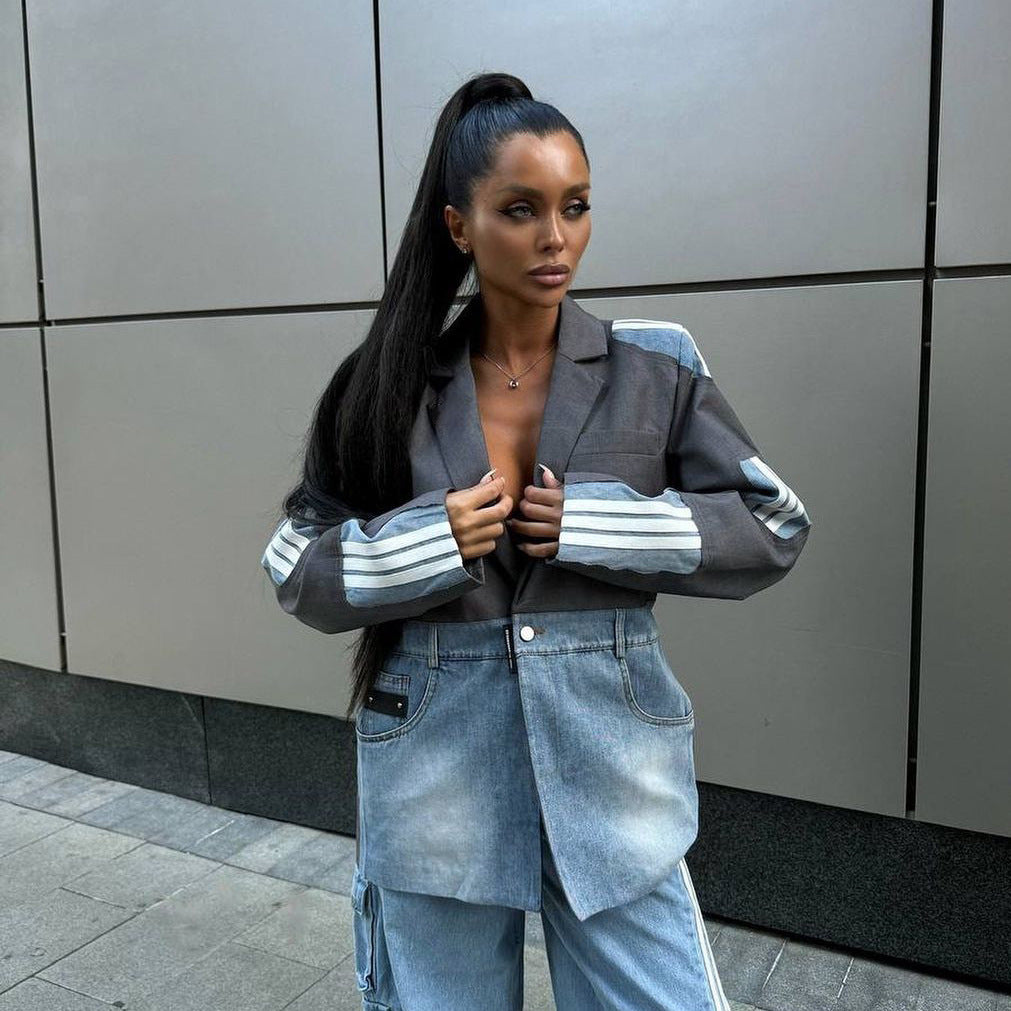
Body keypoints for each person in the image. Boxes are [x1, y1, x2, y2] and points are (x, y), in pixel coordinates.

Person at [261, 71, 811, 1011]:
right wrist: (425, 541)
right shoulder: (385, 379)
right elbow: (293, 562)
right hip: (434, 764)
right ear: (459, 226)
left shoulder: (654, 366)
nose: (555, 238)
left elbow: (772, 524)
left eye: (575, 206)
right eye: (520, 210)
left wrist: (597, 524)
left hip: (611, 760)